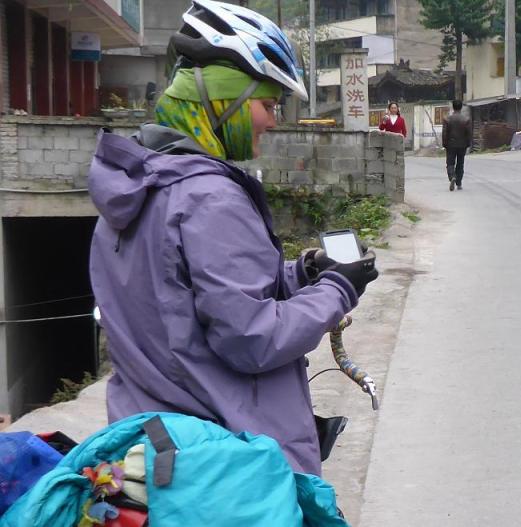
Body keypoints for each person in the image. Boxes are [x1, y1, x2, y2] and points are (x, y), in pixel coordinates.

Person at [87, 0, 379, 476]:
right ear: (223, 101)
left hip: (158, 451)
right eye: (267, 104)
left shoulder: (136, 185)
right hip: (226, 462)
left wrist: (299, 275)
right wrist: (338, 289)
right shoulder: (211, 198)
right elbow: (253, 339)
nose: (273, 120)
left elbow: (178, 297)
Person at [442, 99, 472, 191]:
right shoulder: (466, 119)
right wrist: (468, 143)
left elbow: (444, 133)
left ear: (453, 107)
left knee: (450, 163)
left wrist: (444, 144)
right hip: (462, 144)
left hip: (450, 144)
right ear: (461, 107)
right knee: (460, 163)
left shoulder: (447, 119)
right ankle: (459, 183)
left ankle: (452, 177)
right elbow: (469, 133)